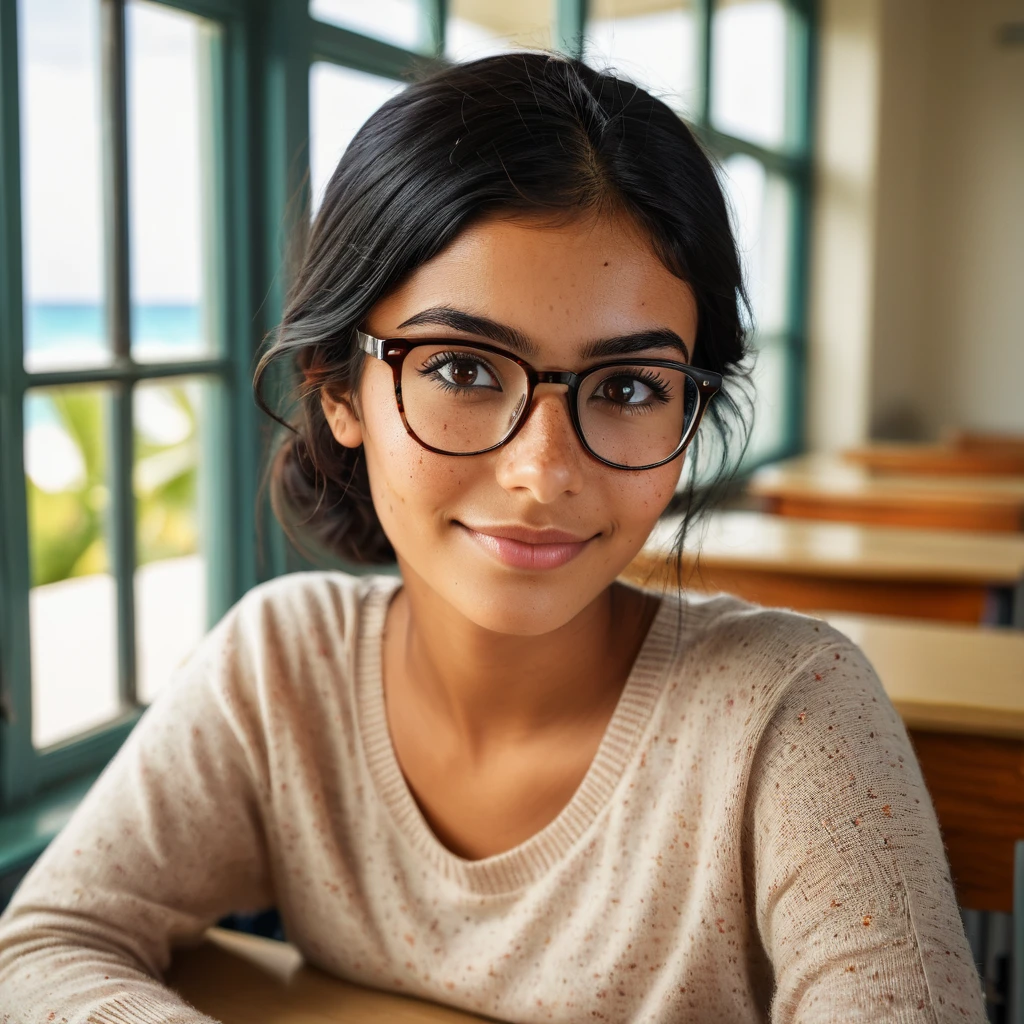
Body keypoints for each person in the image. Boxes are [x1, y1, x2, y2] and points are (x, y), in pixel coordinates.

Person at [0, 52, 985, 1023]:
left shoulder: (787, 715)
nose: (543, 469)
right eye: (465, 370)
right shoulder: (283, 666)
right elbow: (47, 944)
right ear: (338, 388)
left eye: (630, 387)